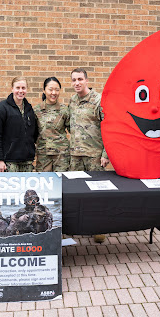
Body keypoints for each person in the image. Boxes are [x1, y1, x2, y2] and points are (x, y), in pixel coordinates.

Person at [68, 68, 109, 243]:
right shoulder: (72, 101)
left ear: (86, 80)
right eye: (74, 80)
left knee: (97, 195)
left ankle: (99, 228)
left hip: (94, 156)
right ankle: (79, 226)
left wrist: (106, 153)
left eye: (80, 79)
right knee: (76, 193)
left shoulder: (99, 100)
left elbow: (109, 127)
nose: (77, 83)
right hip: (76, 156)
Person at [0, 76, 38, 172]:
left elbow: (33, 133)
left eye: (23, 88)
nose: (20, 91)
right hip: (9, 162)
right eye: (17, 88)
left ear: (27, 89)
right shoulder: (0, 109)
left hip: (27, 162)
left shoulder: (29, 109)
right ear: (12, 89)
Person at [34, 77, 70, 172]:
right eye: (50, 89)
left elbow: (73, 130)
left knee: (63, 184)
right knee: (44, 183)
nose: (53, 93)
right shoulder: (36, 110)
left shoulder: (64, 110)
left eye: (57, 90)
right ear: (44, 90)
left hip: (61, 156)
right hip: (43, 156)